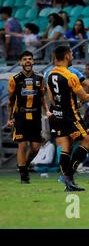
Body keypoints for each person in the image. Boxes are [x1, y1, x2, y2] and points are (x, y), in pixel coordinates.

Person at [47, 46, 89, 191]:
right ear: (66, 57)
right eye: (71, 55)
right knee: (88, 141)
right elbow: (85, 96)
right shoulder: (70, 76)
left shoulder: (50, 74)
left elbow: (51, 98)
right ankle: (68, 175)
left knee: (66, 145)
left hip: (57, 114)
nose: (72, 57)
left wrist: (63, 105)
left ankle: (68, 183)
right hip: (70, 115)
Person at [7, 51, 48, 183]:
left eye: (30, 59)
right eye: (24, 59)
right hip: (21, 115)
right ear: (20, 62)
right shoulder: (15, 79)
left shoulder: (40, 78)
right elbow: (10, 100)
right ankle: (24, 175)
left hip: (35, 116)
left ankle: (25, 164)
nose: (28, 61)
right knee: (22, 144)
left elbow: (42, 97)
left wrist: (46, 110)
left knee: (36, 147)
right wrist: (9, 118)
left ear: (33, 61)